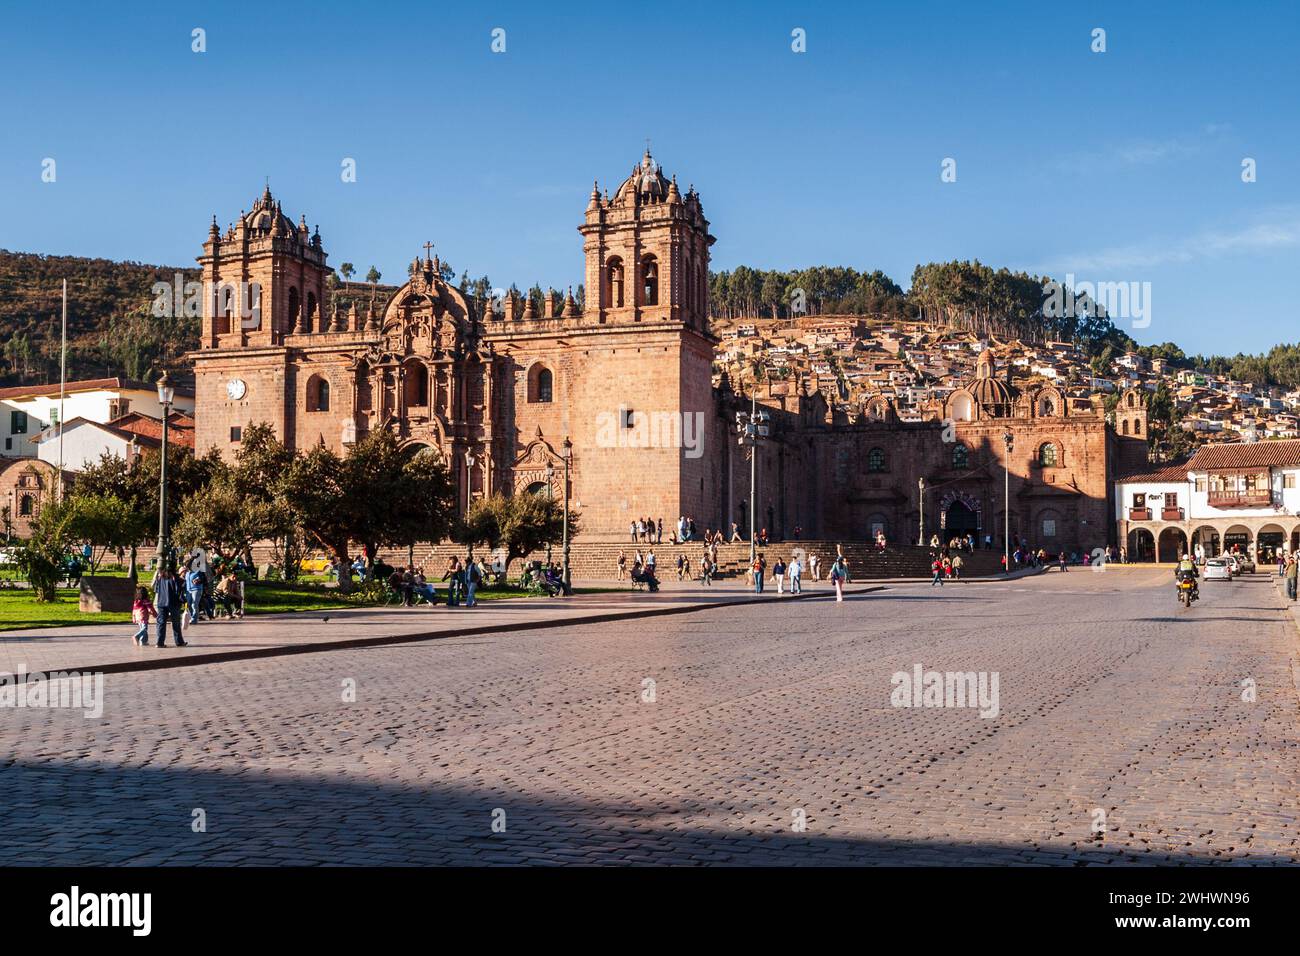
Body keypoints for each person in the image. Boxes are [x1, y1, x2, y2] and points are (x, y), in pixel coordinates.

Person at [150, 567, 187, 648]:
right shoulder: (175, 578)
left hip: (161, 603)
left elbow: (156, 589)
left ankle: (160, 642)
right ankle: (179, 642)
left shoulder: (160, 578)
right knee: (176, 623)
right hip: (173, 603)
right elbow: (178, 590)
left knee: (161, 623)